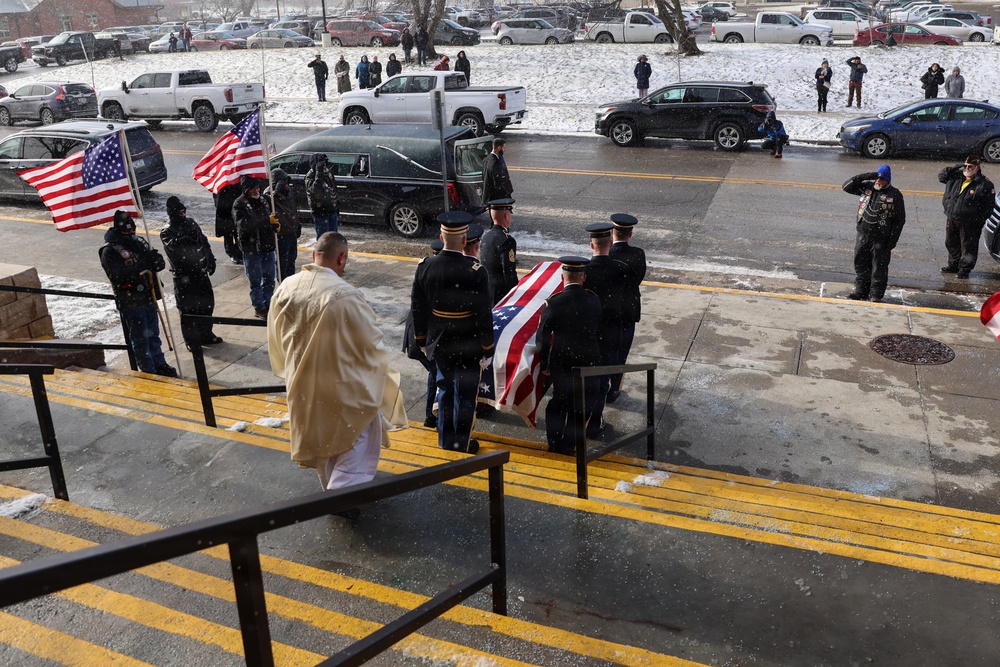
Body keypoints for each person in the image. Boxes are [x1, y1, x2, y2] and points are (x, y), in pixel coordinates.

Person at [268, 232, 407, 501]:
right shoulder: (344, 294)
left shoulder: (286, 286)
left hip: (302, 382)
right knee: (354, 439)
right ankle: (342, 496)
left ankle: (331, 489)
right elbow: (369, 344)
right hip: (341, 383)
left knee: (322, 441)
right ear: (342, 257)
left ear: (313, 255)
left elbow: (276, 335)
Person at [410, 211, 494, 454]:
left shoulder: (426, 266)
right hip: (468, 342)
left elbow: (418, 307)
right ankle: (462, 441)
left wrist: (421, 339)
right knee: (466, 394)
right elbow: (483, 314)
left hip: (439, 340)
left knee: (445, 389)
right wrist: (487, 347)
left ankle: (446, 440)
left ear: (441, 237)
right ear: (465, 239)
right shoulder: (476, 271)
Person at [536, 256, 602, 455]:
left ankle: (554, 443)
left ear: (562, 277)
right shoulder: (594, 300)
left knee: (559, 402)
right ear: (584, 277)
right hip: (589, 360)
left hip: (563, 361)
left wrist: (544, 364)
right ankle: (569, 444)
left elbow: (542, 338)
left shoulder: (553, 303)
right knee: (581, 406)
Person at [99, 211, 177, 377]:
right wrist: (142, 265)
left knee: (153, 334)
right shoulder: (109, 251)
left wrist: (156, 261)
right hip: (131, 300)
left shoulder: (138, 243)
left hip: (148, 296)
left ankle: (160, 363)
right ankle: (149, 370)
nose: (130, 234)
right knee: (141, 339)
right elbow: (118, 276)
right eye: (126, 231)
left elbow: (155, 264)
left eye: (131, 230)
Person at [584, 222, 630, 438]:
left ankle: (584, 419)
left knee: (587, 379)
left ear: (591, 245)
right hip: (610, 334)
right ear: (611, 244)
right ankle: (594, 422)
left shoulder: (583, 271)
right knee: (603, 380)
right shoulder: (621, 269)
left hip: (588, 334)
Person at [161, 197, 222, 347]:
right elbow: (173, 248)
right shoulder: (167, 231)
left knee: (207, 304)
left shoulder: (191, 223)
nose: (183, 215)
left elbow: (203, 241)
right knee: (188, 309)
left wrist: (210, 259)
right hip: (184, 277)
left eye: (184, 212)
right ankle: (191, 340)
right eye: (180, 213)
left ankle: (206, 333)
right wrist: (184, 238)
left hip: (200, 272)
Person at [842, 164, 906, 303]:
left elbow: (900, 220)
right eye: (877, 178)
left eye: (881, 179)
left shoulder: (894, 194)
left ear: (887, 180)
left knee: (879, 268)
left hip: (881, 239)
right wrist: (868, 176)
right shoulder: (867, 187)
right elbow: (846, 186)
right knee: (861, 264)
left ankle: (875, 294)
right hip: (863, 235)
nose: (878, 181)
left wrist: (893, 240)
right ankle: (860, 291)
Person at [403, 239, 444, 428]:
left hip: (420, 335)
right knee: (437, 374)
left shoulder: (426, 269)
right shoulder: (439, 277)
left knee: (435, 373)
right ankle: (432, 415)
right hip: (426, 337)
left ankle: (432, 414)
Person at [607, 213, 645, 403]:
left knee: (606, 351)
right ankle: (613, 388)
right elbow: (638, 278)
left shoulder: (606, 254)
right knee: (621, 353)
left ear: (612, 232)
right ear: (630, 234)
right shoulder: (638, 254)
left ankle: (603, 385)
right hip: (628, 310)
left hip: (608, 311)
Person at [938, 156, 996, 279]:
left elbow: (989, 207)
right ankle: (953, 265)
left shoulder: (984, 184)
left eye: (970, 167)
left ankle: (964, 270)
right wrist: (957, 166)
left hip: (970, 222)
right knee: (951, 243)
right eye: (966, 166)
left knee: (968, 247)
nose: (967, 169)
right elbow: (942, 176)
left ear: (977, 168)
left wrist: (978, 220)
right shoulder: (956, 176)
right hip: (952, 217)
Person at [233, 175, 275, 319]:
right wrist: (266, 221)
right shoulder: (239, 204)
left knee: (269, 278)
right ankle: (259, 308)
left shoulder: (264, 200)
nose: (257, 191)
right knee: (255, 281)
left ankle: (269, 303)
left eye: (258, 187)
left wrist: (274, 224)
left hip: (267, 246)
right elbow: (245, 226)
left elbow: (272, 217)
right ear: (246, 190)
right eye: (253, 188)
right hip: (252, 249)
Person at [479, 198, 517, 305]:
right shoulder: (507, 240)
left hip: (488, 290)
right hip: (501, 294)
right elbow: (509, 272)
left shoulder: (486, 236)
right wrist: (516, 292)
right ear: (506, 216)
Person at [267, 168, 302, 282]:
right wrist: (276, 192)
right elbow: (268, 204)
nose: (287, 184)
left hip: (291, 231)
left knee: (291, 260)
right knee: (282, 262)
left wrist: (297, 225)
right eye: (285, 182)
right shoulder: (270, 195)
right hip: (282, 234)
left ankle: (290, 281)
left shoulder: (289, 193)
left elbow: (293, 210)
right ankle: (283, 282)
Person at [305, 153, 338, 238]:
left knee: (334, 238)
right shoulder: (310, 176)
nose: (324, 165)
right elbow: (315, 190)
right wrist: (318, 173)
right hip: (320, 212)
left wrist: (336, 205)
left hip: (331, 210)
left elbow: (333, 188)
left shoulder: (328, 172)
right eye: (321, 163)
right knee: (323, 238)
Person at [214, 183, 243, 265]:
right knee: (228, 233)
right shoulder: (222, 182)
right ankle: (232, 253)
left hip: (235, 205)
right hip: (225, 208)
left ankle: (238, 251)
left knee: (238, 231)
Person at [482, 138, 513, 205]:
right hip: (496, 198)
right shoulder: (495, 163)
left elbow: (484, 176)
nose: (504, 150)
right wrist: (506, 192)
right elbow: (497, 183)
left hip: (488, 196)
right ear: (499, 148)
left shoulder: (486, 159)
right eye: (503, 148)